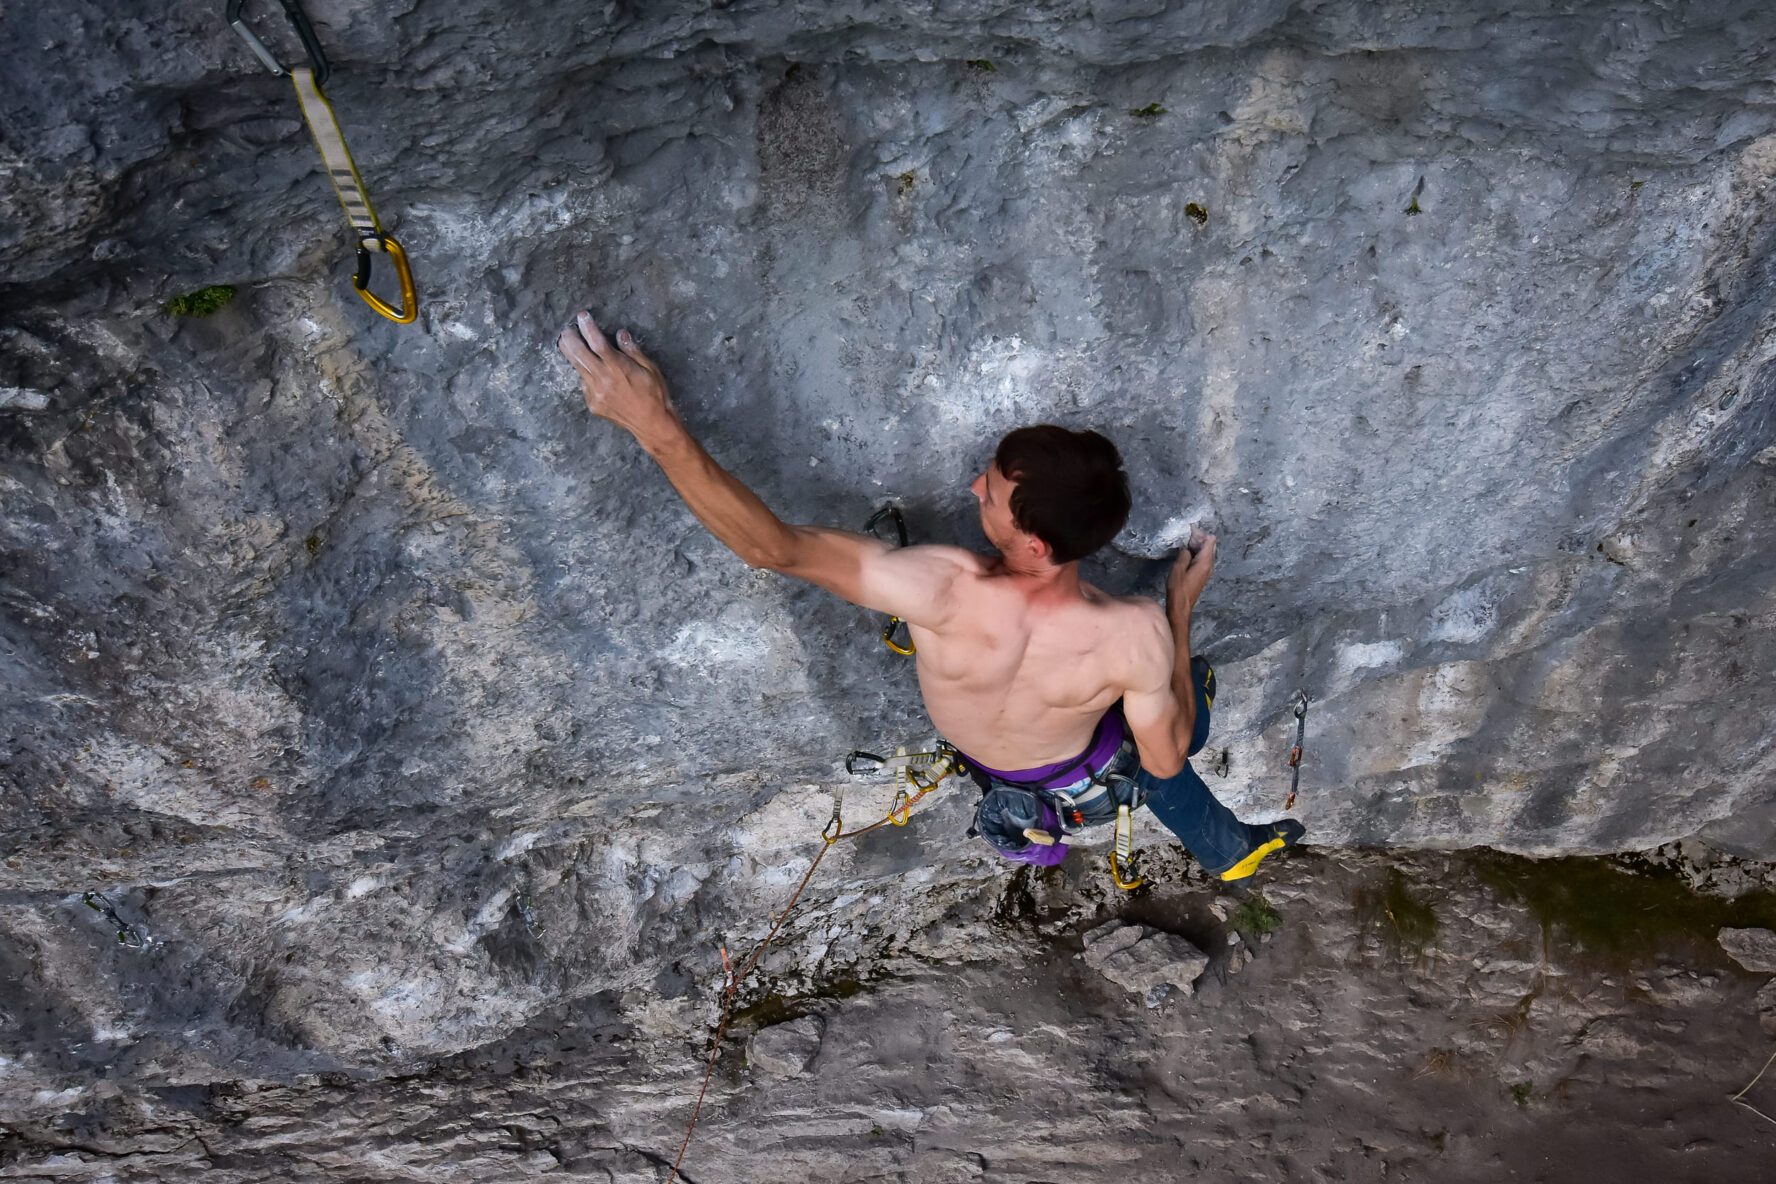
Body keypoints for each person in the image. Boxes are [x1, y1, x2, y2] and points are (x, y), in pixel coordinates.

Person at [557, 310, 1304, 887]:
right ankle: (1230, 850)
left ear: (1034, 544)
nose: (973, 487)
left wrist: (653, 424)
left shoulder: (939, 586)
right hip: (1076, 770)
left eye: (991, 492)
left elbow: (771, 547)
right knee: (1186, 698)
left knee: (1171, 697)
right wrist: (1176, 613)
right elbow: (1167, 762)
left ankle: (1203, 845)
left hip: (1000, 765)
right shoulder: (1134, 633)